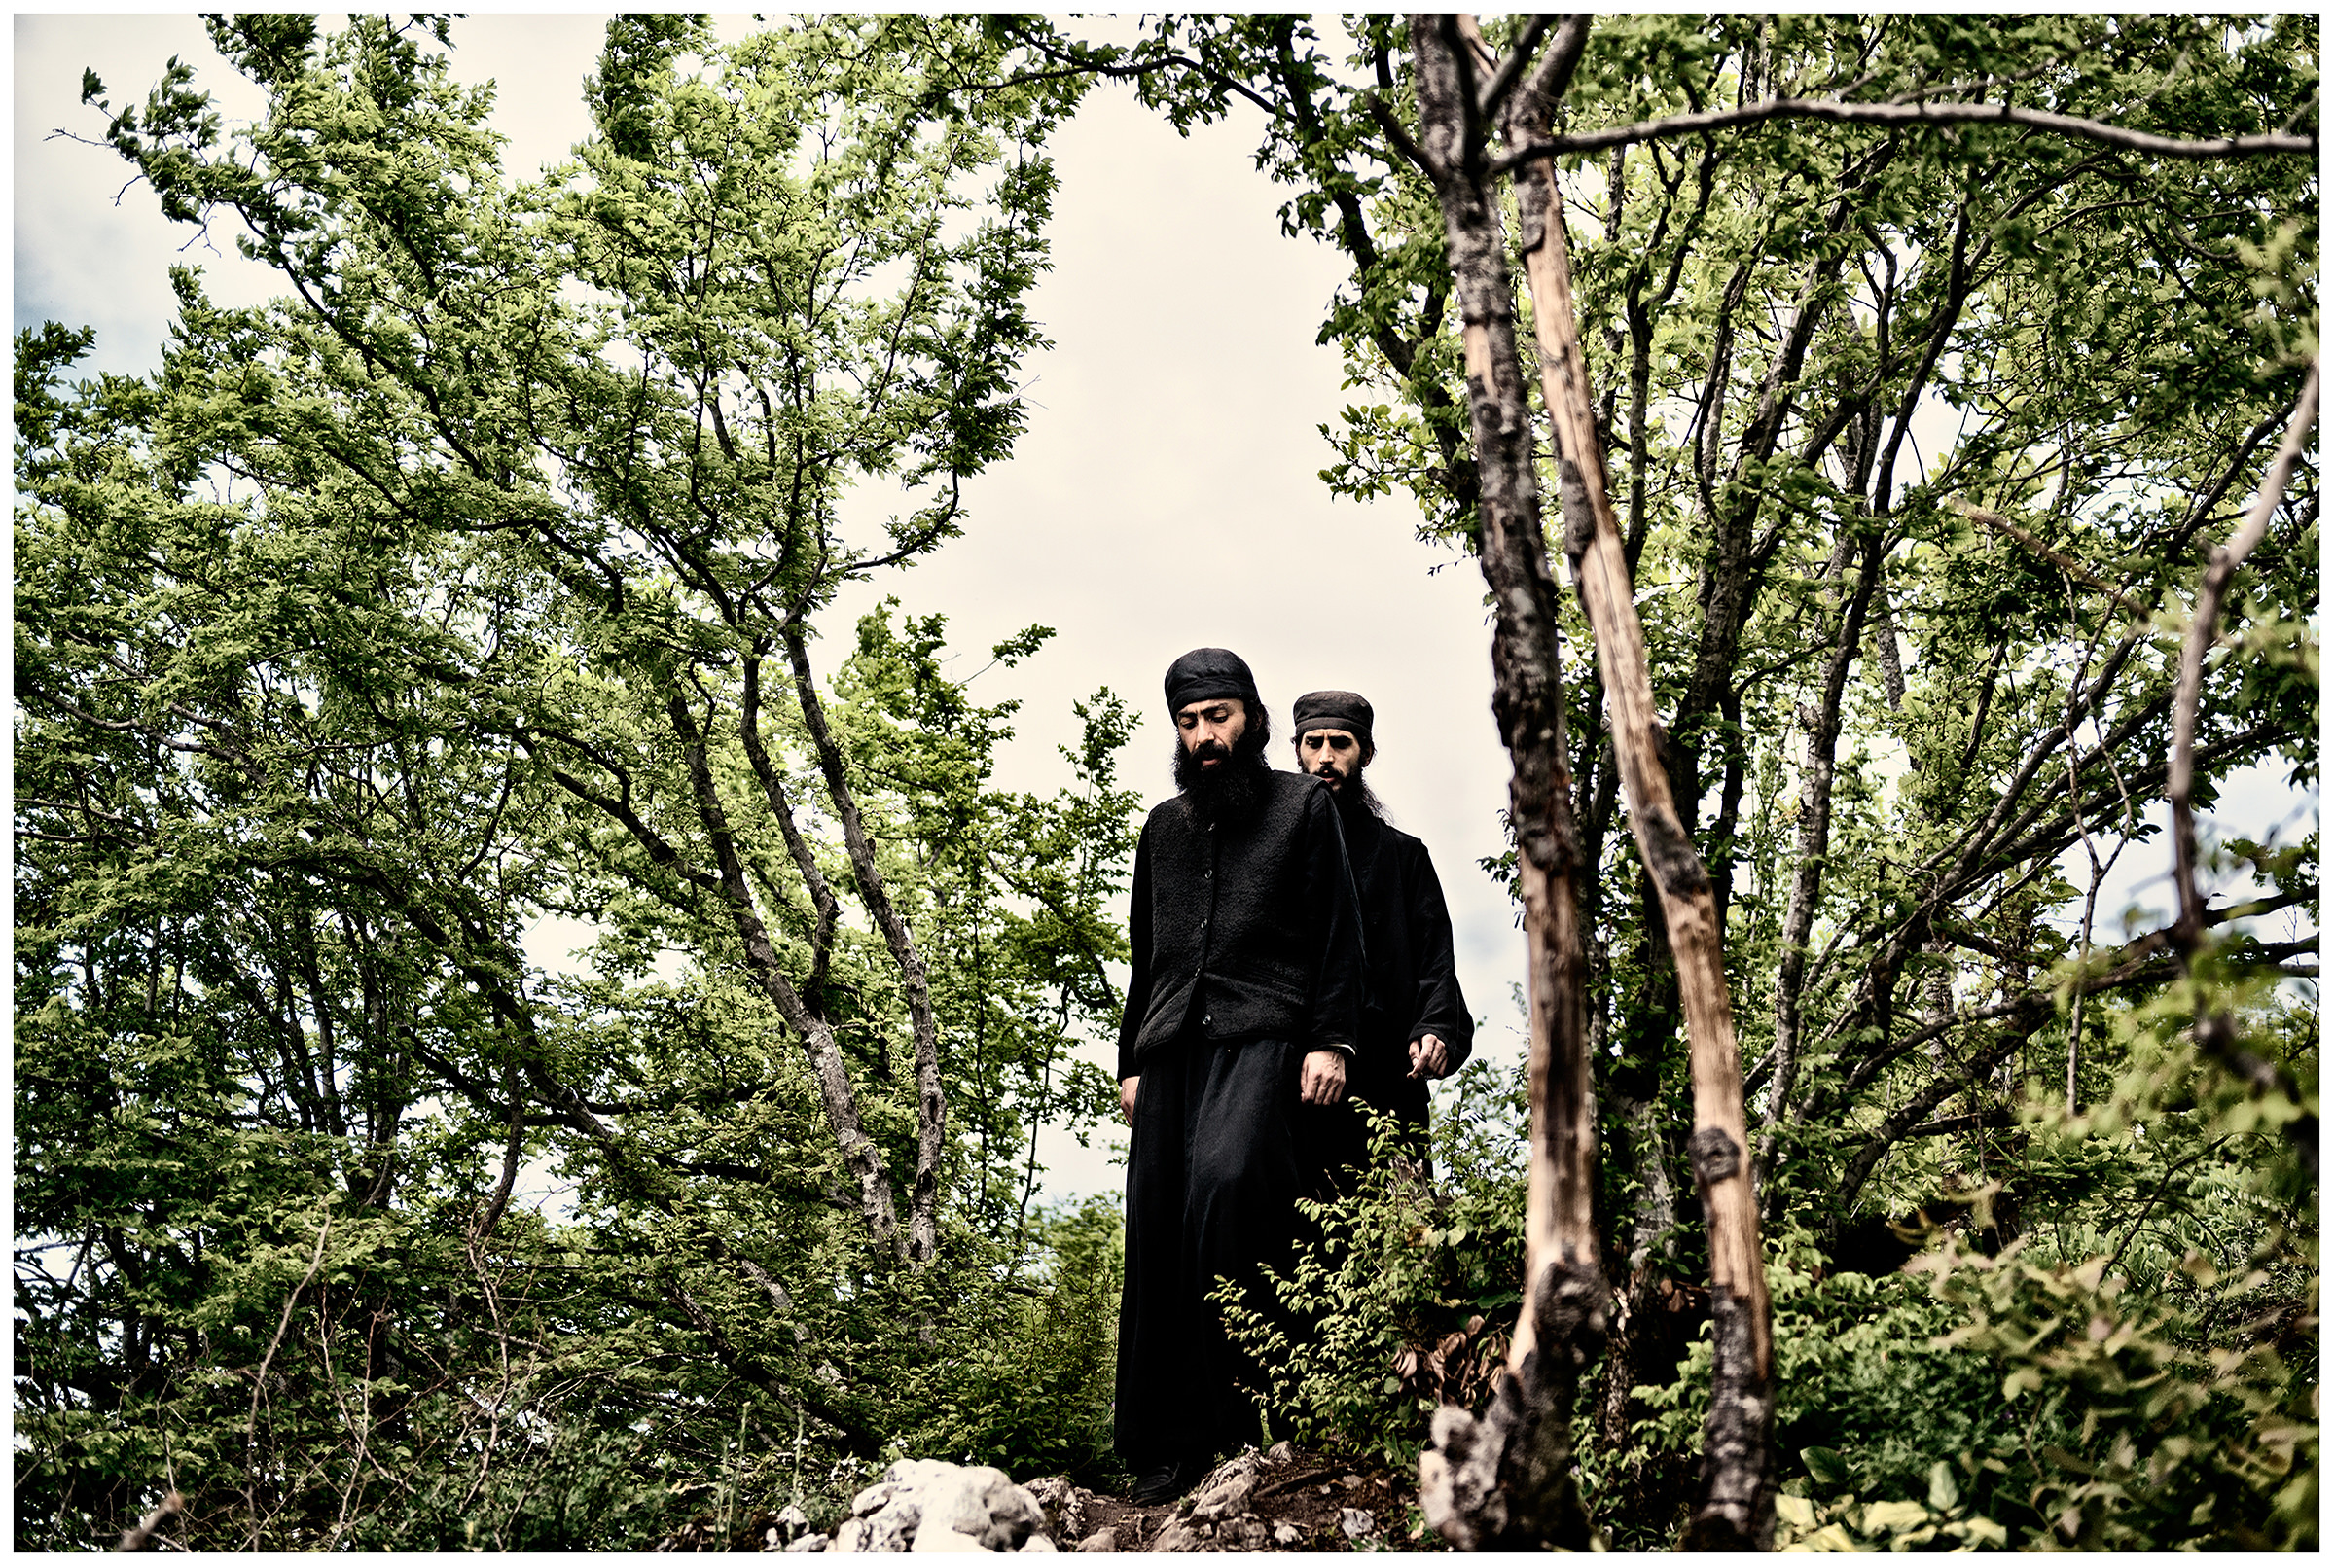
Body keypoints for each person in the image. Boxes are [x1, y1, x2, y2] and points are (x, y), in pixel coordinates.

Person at [1113, 647, 1367, 1504]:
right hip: (1170, 1047)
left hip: (1266, 1034)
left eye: (1217, 717)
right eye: (1189, 723)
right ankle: (1161, 1447)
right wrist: (1131, 1062)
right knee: (1155, 1226)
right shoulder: (1164, 828)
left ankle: (1245, 1427)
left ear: (1253, 719)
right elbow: (1145, 955)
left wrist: (1331, 1042)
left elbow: (1340, 937)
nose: (1204, 736)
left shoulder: (1303, 809)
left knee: (1228, 1194)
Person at [1288, 689, 1472, 1186]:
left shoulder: (1404, 857)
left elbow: (1437, 962)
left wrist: (1435, 1029)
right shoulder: (1274, 857)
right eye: (1314, 743)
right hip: (1294, 1080)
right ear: (1297, 751)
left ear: (1365, 754)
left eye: (1341, 743)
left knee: (1401, 1240)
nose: (1326, 757)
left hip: (1388, 1085)